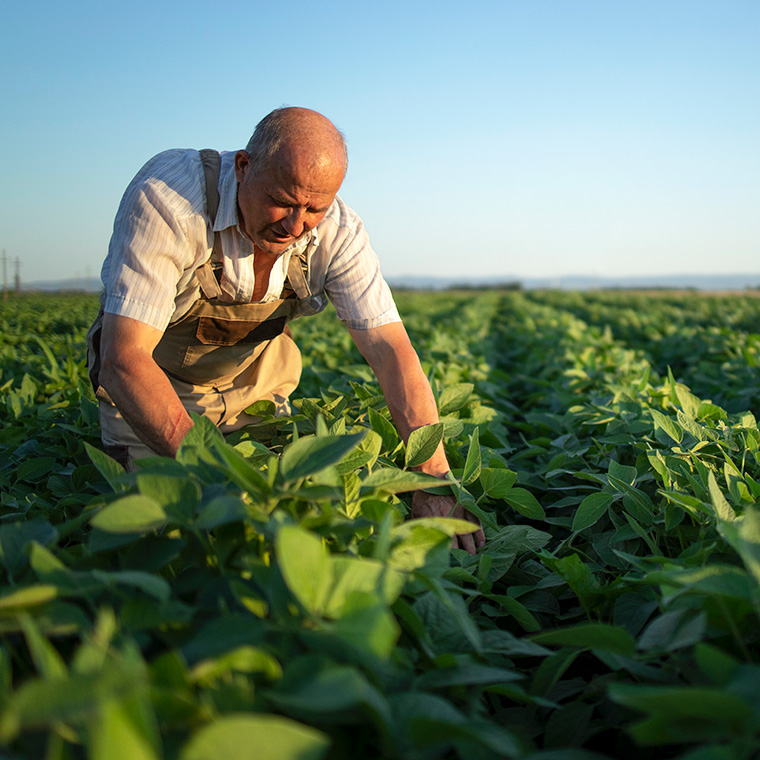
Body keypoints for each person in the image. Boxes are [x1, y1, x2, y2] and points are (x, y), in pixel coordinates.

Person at [87, 106, 485, 554]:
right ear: (243, 167)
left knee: (291, 530)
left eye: (314, 208)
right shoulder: (170, 199)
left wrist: (430, 479)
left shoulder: (339, 232)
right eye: (283, 200)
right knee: (168, 537)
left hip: (256, 386)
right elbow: (123, 361)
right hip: (153, 390)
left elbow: (390, 351)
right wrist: (222, 480)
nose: (295, 225)